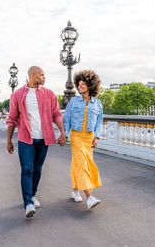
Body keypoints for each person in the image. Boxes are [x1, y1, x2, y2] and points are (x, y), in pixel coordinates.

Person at [6, 66, 66, 219]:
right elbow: (12, 118)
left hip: (44, 138)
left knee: (37, 169)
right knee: (27, 169)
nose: (44, 77)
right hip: (26, 138)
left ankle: (32, 195)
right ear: (32, 76)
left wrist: (62, 133)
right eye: (42, 75)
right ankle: (28, 204)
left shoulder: (50, 94)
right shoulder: (17, 95)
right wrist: (9, 141)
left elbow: (57, 115)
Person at [63, 69, 103, 210]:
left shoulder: (98, 104)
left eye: (83, 84)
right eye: (78, 84)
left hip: (89, 138)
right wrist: (65, 135)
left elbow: (99, 122)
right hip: (76, 136)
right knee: (82, 165)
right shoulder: (73, 101)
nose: (80, 87)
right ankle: (89, 197)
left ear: (90, 85)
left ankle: (75, 190)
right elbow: (66, 119)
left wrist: (96, 137)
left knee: (79, 164)